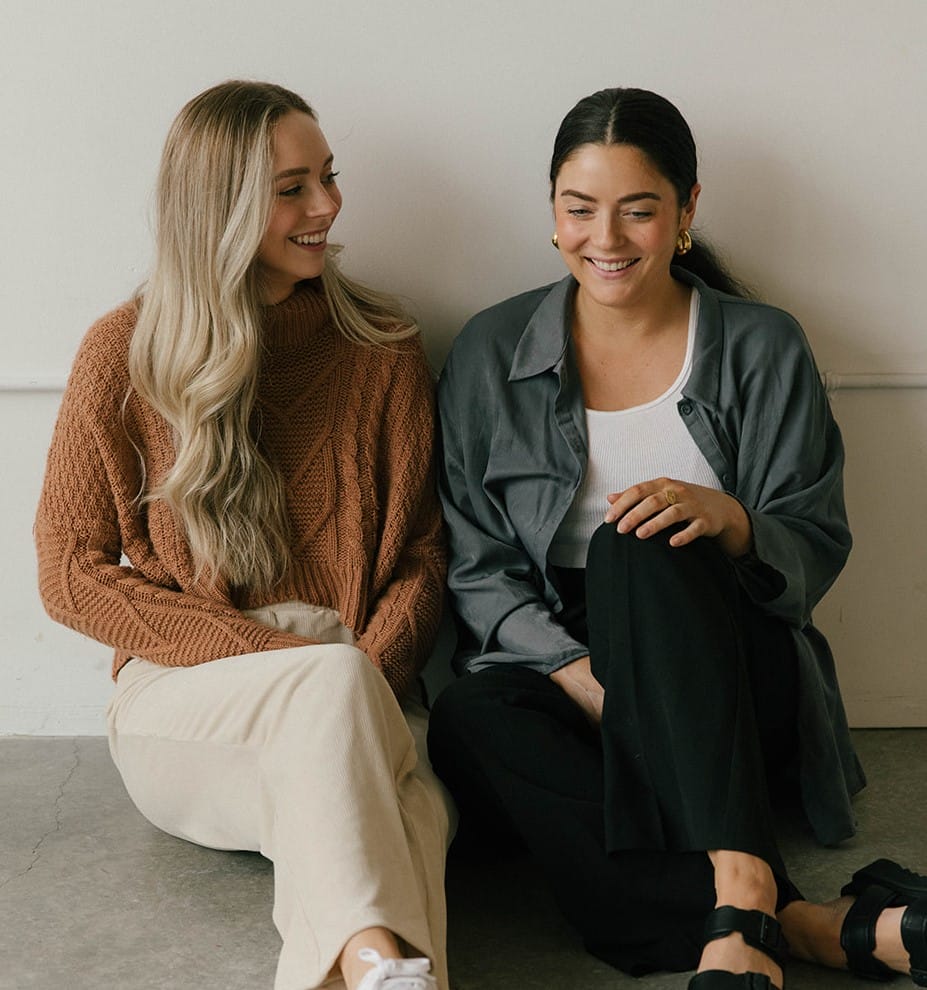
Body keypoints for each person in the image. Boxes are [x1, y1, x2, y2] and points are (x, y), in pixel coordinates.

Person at [428, 87, 927, 990]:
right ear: (551, 211)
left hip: (721, 662)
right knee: (470, 713)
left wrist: (731, 521)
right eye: (580, 209)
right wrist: (581, 675)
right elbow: (476, 566)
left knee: (637, 541)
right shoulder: (489, 350)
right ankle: (797, 921)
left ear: (686, 209)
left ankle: (738, 881)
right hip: (562, 661)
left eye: (638, 209)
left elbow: (813, 541)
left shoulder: (761, 344)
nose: (605, 238)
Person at [35, 80, 452, 990]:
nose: (327, 206)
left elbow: (422, 556)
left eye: (328, 177)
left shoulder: (383, 345)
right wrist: (277, 656)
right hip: (190, 693)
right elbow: (68, 572)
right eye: (292, 188)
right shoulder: (125, 352)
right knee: (387, 782)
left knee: (408, 807)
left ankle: (376, 967)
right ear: (216, 208)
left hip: (363, 677)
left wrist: (365, 677)